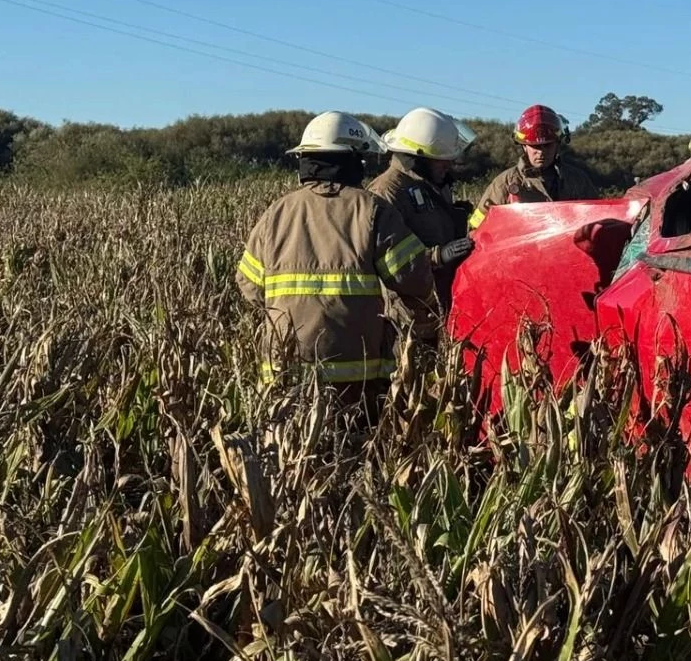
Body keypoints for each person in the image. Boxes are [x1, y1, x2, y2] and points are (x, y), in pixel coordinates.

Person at [236, 111, 438, 422]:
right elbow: (414, 278)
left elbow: (249, 286)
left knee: (293, 458)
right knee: (352, 454)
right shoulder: (372, 210)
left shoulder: (275, 213)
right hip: (353, 374)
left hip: (284, 370)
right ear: (354, 160)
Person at [368, 107, 478, 311]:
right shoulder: (386, 192)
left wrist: (454, 217)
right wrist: (438, 256)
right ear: (418, 157)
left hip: (439, 307)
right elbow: (385, 262)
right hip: (407, 316)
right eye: (442, 158)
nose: (450, 164)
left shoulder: (431, 185)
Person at [470, 104, 601, 229]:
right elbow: (476, 227)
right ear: (524, 146)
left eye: (547, 145)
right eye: (535, 146)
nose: (541, 152)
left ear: (557, 144)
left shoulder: (577, 181)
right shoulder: (504, 184)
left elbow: (600, 219)